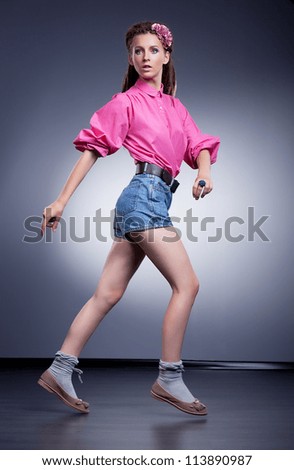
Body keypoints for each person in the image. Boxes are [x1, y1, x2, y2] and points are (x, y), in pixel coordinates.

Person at [38, 21, 220, 416]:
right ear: (131, 58)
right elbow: (91, 149)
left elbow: (199, 146)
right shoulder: (126, 103)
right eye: (138, 51)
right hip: (144, 199)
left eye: (153, 50)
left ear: (166, 56)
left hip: (147, 200)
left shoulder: (176, 108)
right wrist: (61, 200)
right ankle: (169, 378)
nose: (145, 58)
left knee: (108, 293)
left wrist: (204, 172)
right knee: (187, 285)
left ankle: (60, 367)